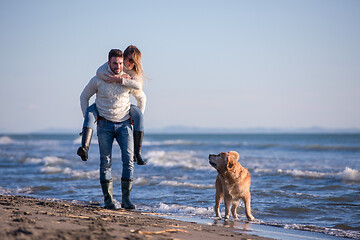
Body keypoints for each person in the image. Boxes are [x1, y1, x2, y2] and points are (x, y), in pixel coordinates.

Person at [80, 49, 141, 209]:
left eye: (120, 63)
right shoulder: (99, 79)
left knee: (128, 161)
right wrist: (88, 117)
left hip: (124, 125)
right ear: (109, 63)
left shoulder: (127, 79)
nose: (118, 66)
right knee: (105, 162)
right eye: (115, 63)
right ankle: (108, 201)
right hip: (104, 125)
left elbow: (141, 96)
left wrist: (137, 116)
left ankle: (126, 200)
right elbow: (84, 96)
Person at [77, 45, 146, 165]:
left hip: (124, 111)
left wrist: (120, 80)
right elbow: (99, 72)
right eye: (129, 59)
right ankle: (84, 148)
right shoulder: (108, 68)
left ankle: (137, 153)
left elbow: (140, 91)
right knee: (89, 113)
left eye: (134, 61)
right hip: (102, 108)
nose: (131, 63)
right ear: (122, 57)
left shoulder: (132, 74)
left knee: (139, 115)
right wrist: (116, 77)